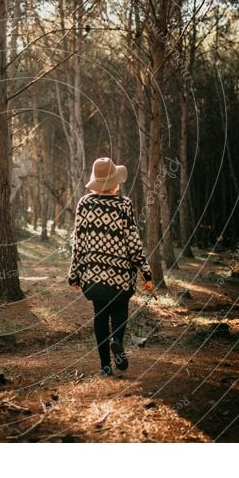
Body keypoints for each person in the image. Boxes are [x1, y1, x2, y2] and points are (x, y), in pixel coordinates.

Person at [68, 157, 154, 376]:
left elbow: (78, 241)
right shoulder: (123, 204)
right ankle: (117, 341)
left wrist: (74, 274)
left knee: (100, 315)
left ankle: (105, 366)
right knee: (119, 310)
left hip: (92, 276)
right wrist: (145, 272)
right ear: (115, 182)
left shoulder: (84, 204)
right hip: (120, 276)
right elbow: (133, 241)